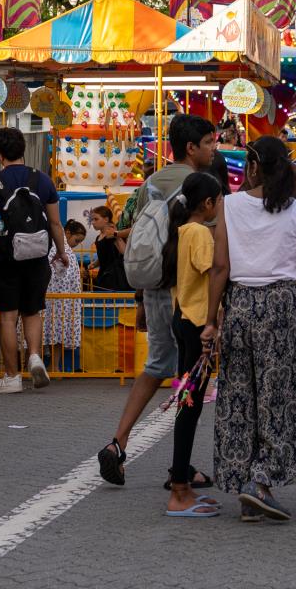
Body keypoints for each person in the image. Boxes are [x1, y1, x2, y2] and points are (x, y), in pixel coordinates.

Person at [97, 114, 219, 487]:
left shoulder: (150, 182)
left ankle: (118, 442)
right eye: (210, 143)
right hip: (187, 294)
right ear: (191, 148)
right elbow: (216, 247)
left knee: (155, 367)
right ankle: (179, 470)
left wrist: (139, 299)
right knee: (191, 377)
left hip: (153, 288)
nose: (214, 149)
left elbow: (138, 236)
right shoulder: (204, 186)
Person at [209, 136, 296, 522]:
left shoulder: (228, 204)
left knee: (240, 396)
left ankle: (245, 486)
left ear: (253, 165)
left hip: (240, 303)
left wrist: (212, 319)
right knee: (278, 398)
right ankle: (260, 482)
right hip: (282, 307)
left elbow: (220, 268)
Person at [0, 126, 67, 393]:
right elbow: (56, 224)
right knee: (32, 312)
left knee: (7, 317)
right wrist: (60, 251)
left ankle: (12, 376)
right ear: (23, 151)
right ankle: (35, 356)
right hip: (37, 257)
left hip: (5, 258)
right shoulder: (42, 180)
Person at [164, 170, 226, 517]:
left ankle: (182, 485)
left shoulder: (184, 230)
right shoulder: (199, 233)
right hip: (197, 325)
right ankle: (179, 491)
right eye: (219, 200)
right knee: (190, 407)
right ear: (207, 203)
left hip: (185, 320)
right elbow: (215, 270)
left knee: (189, 404)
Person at [41, 221, 84, 370]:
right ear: (67, 233)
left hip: (55, 298)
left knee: (45, 332)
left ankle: (43, 367)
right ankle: (54, 367)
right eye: (76, 241)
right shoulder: (60, 249)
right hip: (60, 299)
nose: (77, 244)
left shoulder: (55, 247)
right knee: (56, 333)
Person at [87, 205, 127, 292]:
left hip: (114, 277)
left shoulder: (112, 234)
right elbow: (104, 255)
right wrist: (95, 263)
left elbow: (124, 252)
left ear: (106, 219)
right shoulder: (98, 237)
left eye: (96, 219)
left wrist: (117, 236)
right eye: (92, 220)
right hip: (104, 274)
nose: (93, 222)